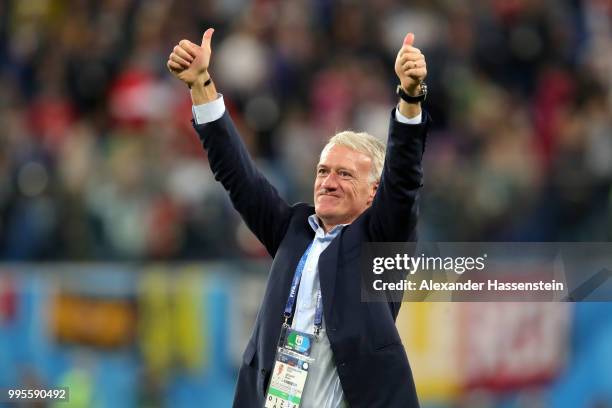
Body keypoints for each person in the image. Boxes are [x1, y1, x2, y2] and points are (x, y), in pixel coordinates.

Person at [167, 27, 429, 408]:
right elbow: (238, 175)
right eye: (323, 171)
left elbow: (404, 179)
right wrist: (201, 84)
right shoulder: (293, 231)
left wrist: (409, 98)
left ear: (375, 193)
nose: (329, 182)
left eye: (345, 174)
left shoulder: (381, 244)